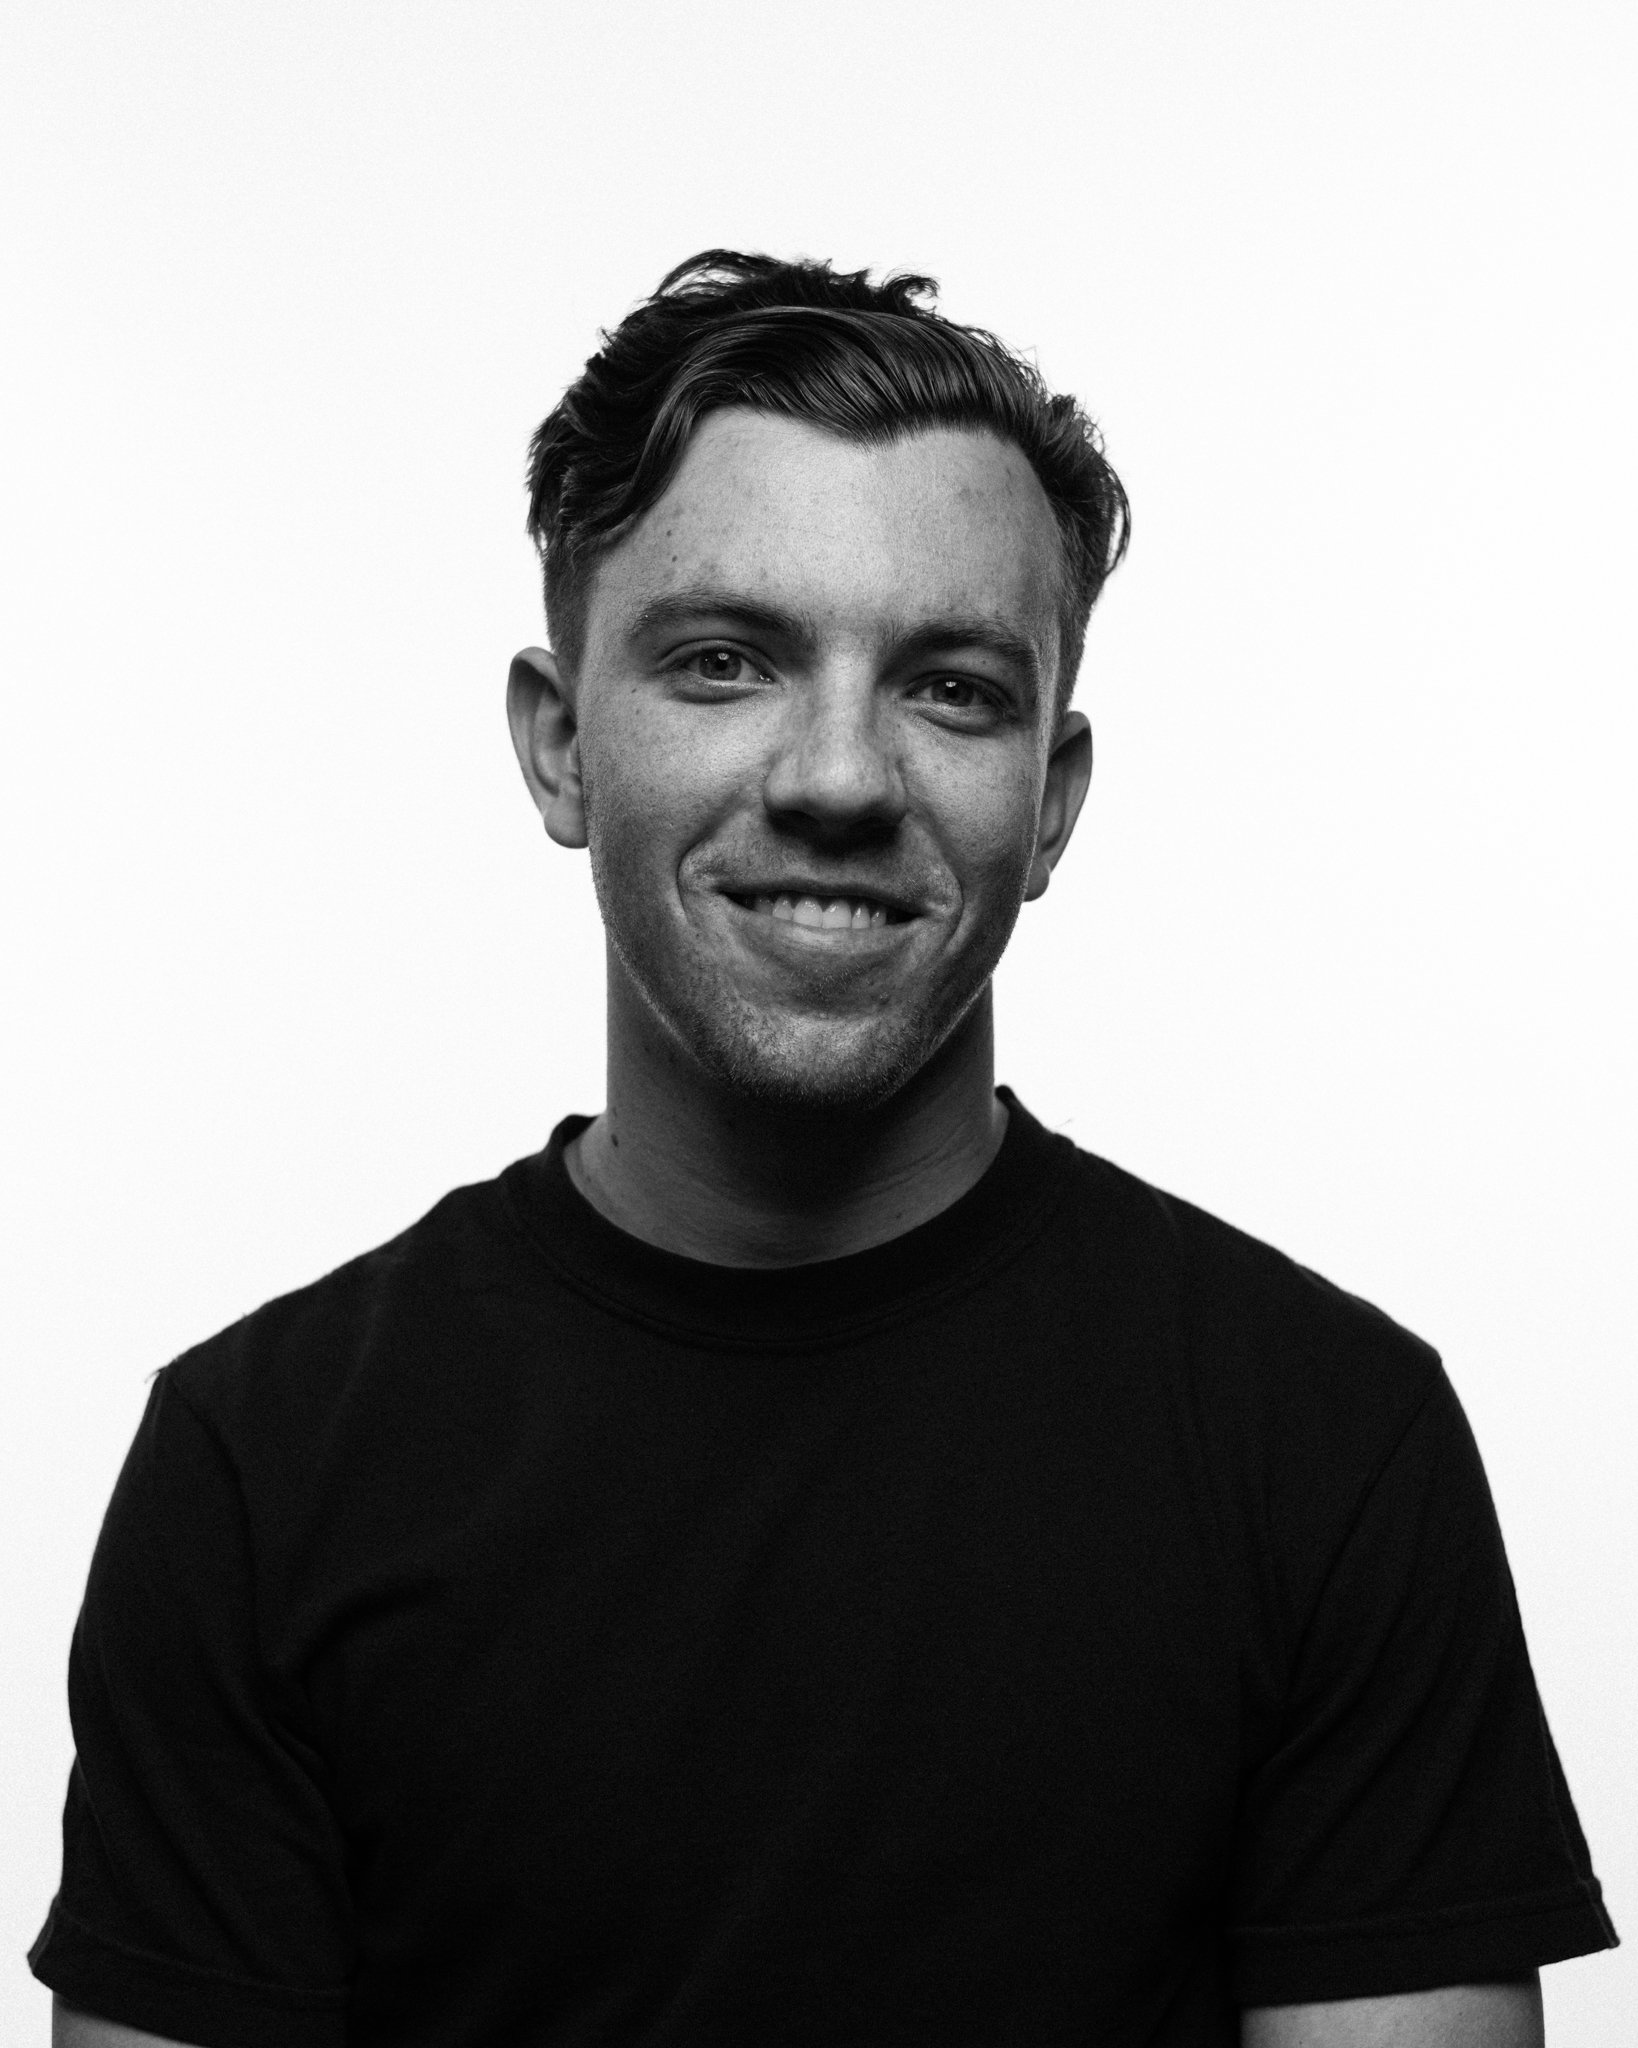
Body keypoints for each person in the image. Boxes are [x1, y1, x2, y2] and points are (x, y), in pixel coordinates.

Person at [32, 250, 1616, 2048]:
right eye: (723, 662)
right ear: (559, 748)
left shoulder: (1323, 1441)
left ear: (1051, 803)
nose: (839, 778)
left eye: (951, 688)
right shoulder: (261, 1465)